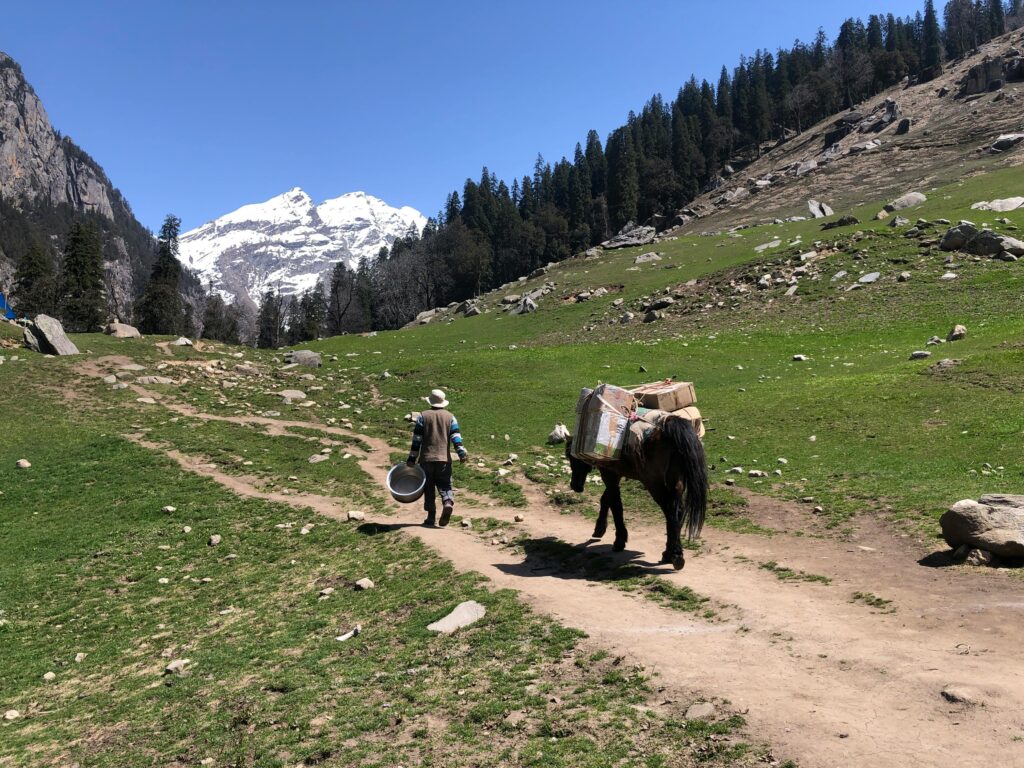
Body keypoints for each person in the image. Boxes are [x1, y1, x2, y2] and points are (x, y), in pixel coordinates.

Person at [407, 389, 468, 527]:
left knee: (428, 487)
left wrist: (412, 458)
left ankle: (431, 517)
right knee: (445, 484)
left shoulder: (423, 416)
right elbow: (455, 437)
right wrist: (461, 452)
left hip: (426, 459)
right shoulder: (450, 417)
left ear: (431, 401)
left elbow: (417, 439)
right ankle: (447, 502)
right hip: (444, 459)